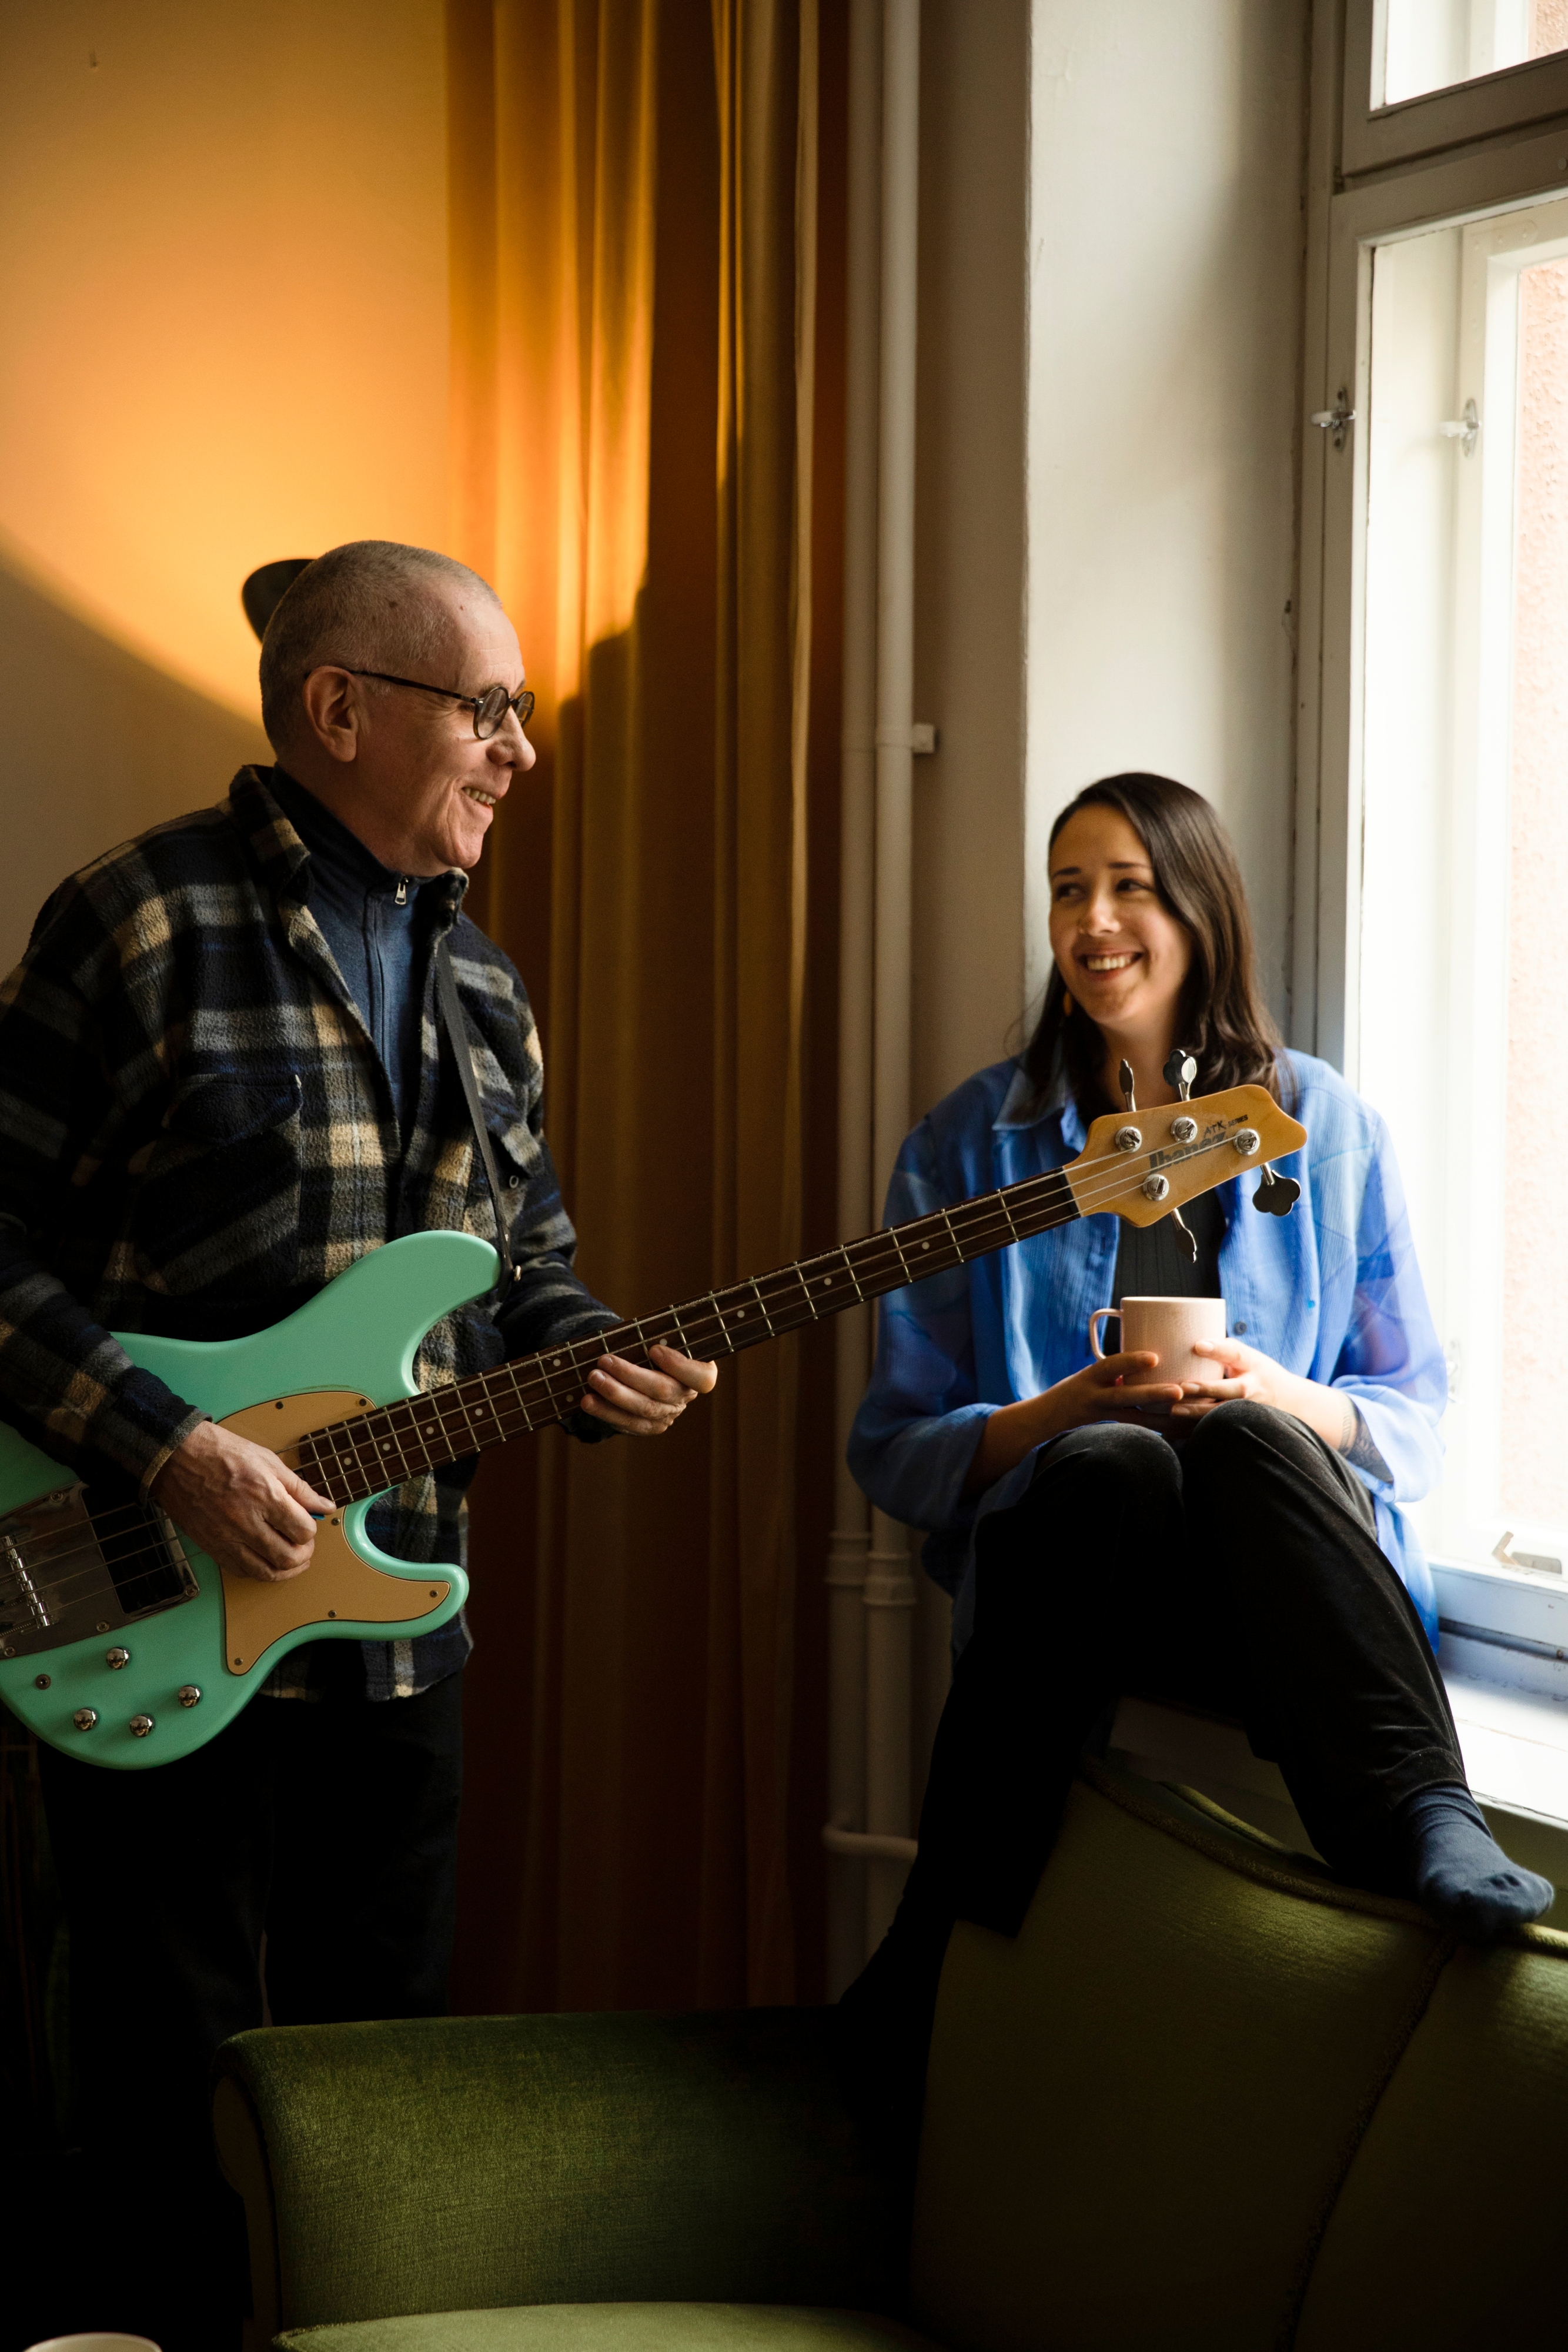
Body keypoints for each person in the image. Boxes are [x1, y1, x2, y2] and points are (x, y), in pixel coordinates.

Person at [0, 541, 718, 2350]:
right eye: (489, 710)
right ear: (342, 709)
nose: (519, 754)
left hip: (398, 1632)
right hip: (146, 1609)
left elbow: (520, 1272)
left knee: (377, 2081)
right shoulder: (136, 921)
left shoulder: (487, 994)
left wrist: (594, 1355)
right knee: (151, 2085)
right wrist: (168, 1450)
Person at [843, 771, 1551, 2112]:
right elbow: (892, 1443)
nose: (1092, 919)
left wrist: (1280, 1391)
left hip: (1276, 1602)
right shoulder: (965, 1145)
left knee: (1242, 1442)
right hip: (1079, 1581)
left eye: (1128, 885)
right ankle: (940, 1934)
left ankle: (1421, 1812)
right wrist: (1063, 1409)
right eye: (1067, 887)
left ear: (1198, 907)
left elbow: (1410, 1412)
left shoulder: (1323, 1126)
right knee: (1111, 1461)